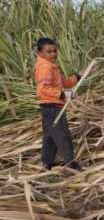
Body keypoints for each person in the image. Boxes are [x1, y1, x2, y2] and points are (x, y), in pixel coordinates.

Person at [34, 37, 81, 171]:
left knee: (50, 136)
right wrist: (62, 94)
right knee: (62, 135)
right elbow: (43, 89)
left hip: (51, 106)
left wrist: (77, 78)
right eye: (49, 52)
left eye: (55, 51)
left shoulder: (51, 66)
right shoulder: (45, 66)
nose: (53, 54)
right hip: (51, 107)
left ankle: (46, 163)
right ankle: (71, 163)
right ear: (40, 52)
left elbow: (63, 83)